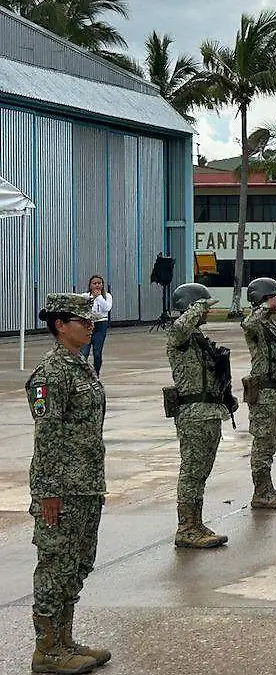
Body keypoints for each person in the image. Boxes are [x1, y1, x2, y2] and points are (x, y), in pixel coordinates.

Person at [26, 293, 111, 674]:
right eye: (83, 321)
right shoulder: (52, 373)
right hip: (61, 489)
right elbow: (46, 437)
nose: (90, 326)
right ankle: (46, 650)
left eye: (92, 321)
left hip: (86, 485)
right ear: (60, 325)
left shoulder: (80, 367)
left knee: (77, 565)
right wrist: (48, 492)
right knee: (55, 567)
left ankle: (64, 641)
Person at [166, 283, 235, 549]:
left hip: (208, 413)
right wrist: (198, 305)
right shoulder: (180, 335)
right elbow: (181, 326)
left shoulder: (197, 338)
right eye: (204, 307)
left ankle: (196, 523)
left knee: (201, 472)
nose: (208, 312)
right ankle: (186, 527)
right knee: (192, 472)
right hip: (193, 415)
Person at [241, 277, 276, 509]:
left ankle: (267, 489)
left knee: (270, 445)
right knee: (263, 445)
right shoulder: (256, 323)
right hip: (264, 394)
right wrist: (266, 305)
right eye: (274, 296)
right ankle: (261, 492)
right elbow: (248, 322)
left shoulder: (270, 325)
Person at [79, 275, 112, 375]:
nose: (97, 285)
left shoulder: (107, 296)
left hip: (101, 324)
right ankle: (82, 374)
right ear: (90, 285)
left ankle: (96, 373)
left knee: (97, 353)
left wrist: (99, 297)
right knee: (84, 352)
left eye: (99, 283)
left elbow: (107, 308)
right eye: (94, 283)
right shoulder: (85, 296)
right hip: (88, 325)